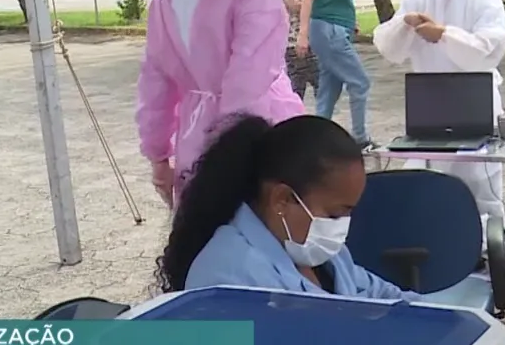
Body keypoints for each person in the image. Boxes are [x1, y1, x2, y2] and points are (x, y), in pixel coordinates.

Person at [136, 0, 306, 208]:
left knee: (200, 238)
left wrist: (158, 156)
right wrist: (232, 157)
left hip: (192, 138)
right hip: (250, 138)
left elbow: (155, 83)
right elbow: (248, 82)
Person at [154, 113, 421, 301]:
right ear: (282, 199)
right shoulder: (225, 277)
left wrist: (443, 315)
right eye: (335, 214)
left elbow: (383, 297)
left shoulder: (323, 255)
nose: (342, 225)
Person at [373, 0, 505, 219]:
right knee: (423, 184)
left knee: (480, 188)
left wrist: (444, 35)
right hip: (429, 104)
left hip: (474, 103)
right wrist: (404, 23)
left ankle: (491, 249)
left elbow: (488, 51)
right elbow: (389, 48)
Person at [297, 0, 372, 148]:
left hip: (340, 28)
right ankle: (360, 137)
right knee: (359, 82)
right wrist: (303, 33)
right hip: (327, 30)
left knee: (330, 87)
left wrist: (352, 21)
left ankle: (317, 140)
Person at [275, 0, 318, 100]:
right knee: (301, 87)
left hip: (304, 38)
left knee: (302, 87)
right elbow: (293, 5)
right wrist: (316, 5)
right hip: (293, 41)